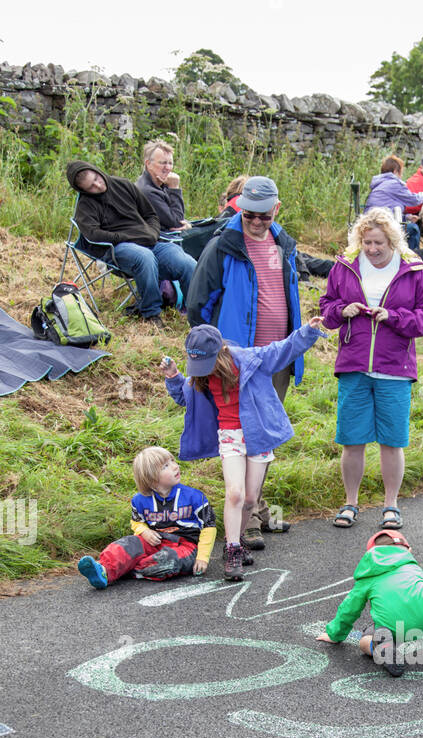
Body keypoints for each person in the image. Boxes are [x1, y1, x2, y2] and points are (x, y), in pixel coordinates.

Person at [185, 175, 306, 547]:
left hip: (276, 358)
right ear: (240, 208)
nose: (255, 222)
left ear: (276, 209)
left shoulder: (284, 243)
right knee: (244, 436)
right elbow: (198, 306)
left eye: (263, 216)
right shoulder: (223, 246)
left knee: (263, 437)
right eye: (249, 214)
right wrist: (218, 354)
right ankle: (248, 521)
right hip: (239, 364)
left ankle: (256, 505)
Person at [163, 320, 325, 580]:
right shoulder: (200, 375)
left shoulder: (250, 360)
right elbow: (185, 396)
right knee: (235, 494)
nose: (202, 370)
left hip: (258, 435)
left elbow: (283, 349)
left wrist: (308, 331)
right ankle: (232, 550)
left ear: (222, 351)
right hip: (229, 436)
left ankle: (235, 540)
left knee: (250, 499)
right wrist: (173, 377)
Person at [318, 208, 423, 532]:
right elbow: (326, 309)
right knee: (351, 440)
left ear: (393, 241)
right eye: (367, 242)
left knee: (392, 441)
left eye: (379, 243)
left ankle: (390, 505)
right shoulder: (345, 266)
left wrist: (395, 317)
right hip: (354, 365)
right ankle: (351, 502)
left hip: (395, 368)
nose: (372, 249)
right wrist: (343, 310)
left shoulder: (414, 270)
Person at [316, 529, 423, 677]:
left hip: (393, 627)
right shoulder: (411, 566)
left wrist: (335, 634)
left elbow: (349, 609)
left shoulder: (367, 575)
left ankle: (383, 648)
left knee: (364, 641)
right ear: (408, 550)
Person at [66, 160, 198, 328]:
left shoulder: (123, 185)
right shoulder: (86, 205)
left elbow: (150, 214)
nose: (98, 185)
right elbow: (93, 234)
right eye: (91, 186)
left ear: (98, 171)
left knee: (187, 263)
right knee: (145, 257)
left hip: (150, 241)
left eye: (97, 179)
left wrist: (152, 233)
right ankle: (151, 314)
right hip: (119, 248)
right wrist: (123, 237)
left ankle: (196, 313)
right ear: (83, 190)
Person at [76, 447, 215, 587]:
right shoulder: (139, 500)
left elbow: (209, 526)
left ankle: (128, 570)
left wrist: (203, 557)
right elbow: (136, 522)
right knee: (126, 544)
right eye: (166, 466)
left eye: (172, 461)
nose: (175, 466)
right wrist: (144, 531)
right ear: (152, 479)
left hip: (186, 546)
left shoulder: (195, 497)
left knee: (168, 561)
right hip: (155, 542)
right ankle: (103, 570)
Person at [364, 154, 423, 252]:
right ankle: (412, 261)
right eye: (401, 173)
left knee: (408, 225)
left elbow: (388, 208)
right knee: (413, 229)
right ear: (395, 171)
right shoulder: (393, 183)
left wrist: (407, 217)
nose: (401, 177)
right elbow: (413, 200)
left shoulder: (379, 184)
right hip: (380, 226)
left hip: (371, 223)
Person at [136, 140, 190, 234]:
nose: (168, 168)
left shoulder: (160, 184)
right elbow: (176, 223)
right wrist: (174, 188)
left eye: (170, 163)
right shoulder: (147, 191)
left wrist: (188, 224)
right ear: (148, 164)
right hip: (158, 241)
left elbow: (178, 219)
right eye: (163, 163)